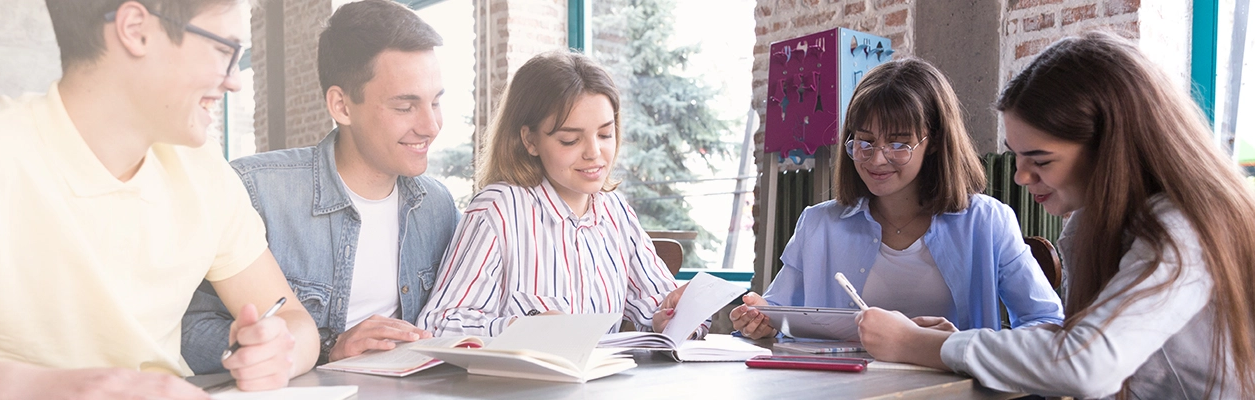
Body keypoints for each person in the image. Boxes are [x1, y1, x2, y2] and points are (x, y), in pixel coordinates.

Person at [0, 0, 320, 397]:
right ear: (135, 29)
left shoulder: (204, 171)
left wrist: (279, 351)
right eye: (224, 49)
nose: (233, 81)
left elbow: (295, 322)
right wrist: (39, 388)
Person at [856, 31, 1255, 399]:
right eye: (1016, 156)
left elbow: (1086, 365)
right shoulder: (1091, 224)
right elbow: (1076, 343)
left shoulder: (1181, 228)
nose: (1020, 176)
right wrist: (962, 343)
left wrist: (919, 344)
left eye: (1041, 159)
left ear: (1111, 149)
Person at [181, 0, 458, 372]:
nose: (431, 126)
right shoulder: (254, 192)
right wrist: (328, 346)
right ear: (342, 106)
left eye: (436, 102)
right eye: (405, 107)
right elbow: (189, 334)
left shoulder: (437, 205)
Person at [731, 58, 1063, 339]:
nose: (876, 160)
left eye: (899, 144)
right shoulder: (818, 225)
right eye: (864, 142)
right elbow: (775, 312)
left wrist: (965, 345)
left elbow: (1047, 324)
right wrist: (760, 323)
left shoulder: (987, 222)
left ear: (933, 141)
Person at [417, 51, 702, 338]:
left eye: (605, 135)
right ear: (530, 140)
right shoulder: (499, 210)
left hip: (604, 381)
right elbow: (438, 324)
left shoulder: (616, 213)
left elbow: (660, 305)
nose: (594, 153)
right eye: (570, 140)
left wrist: (675, 316)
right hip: (524, 383)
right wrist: (520, 328)